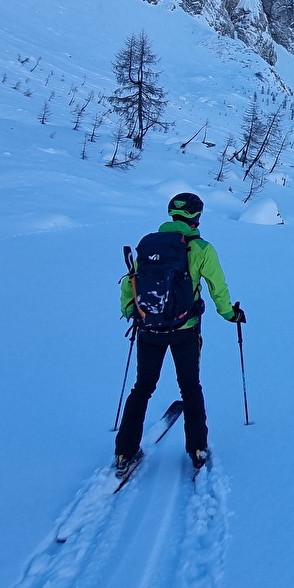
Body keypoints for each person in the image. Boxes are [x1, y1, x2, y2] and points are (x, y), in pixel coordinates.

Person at [115, 192, 246, 473]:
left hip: (148, 328)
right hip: (185, 329)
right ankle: (197, 449)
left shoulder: (149, 245)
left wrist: (131, 312)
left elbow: (131, 282)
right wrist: (230, 314)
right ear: (196, 217)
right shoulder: (201, 248)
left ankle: (124, 452)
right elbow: (217, 288)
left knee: (142, 388)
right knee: (190, 387)